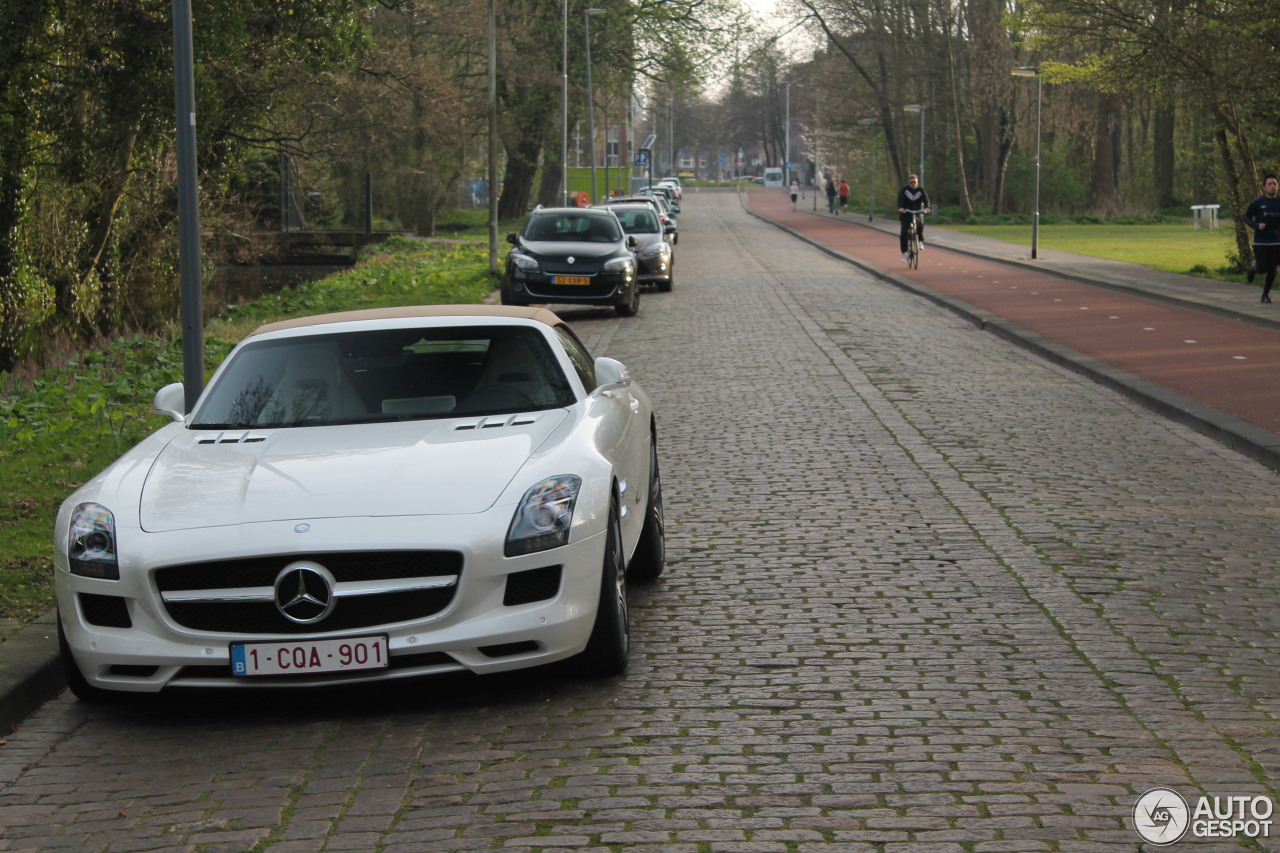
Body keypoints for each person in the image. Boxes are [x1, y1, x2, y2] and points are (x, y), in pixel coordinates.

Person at [1244, 174, 1280, 302]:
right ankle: (1254, 268)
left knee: (1272, 268)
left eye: (1274, 184)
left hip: (1276, 242)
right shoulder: (1257, 203)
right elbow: (1246, 217)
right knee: (1262, 268)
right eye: (1269, 184)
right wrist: (1256, 225)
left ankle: (1265, 295)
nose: (1272, 186)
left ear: (1277, 186)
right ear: (1264, 187)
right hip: (1261, 242)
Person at [897, 173, 930, 262]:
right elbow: (900, 199)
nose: (913, 184)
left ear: (917, 182)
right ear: (908, 182)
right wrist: (900, 208)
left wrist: (927, 207)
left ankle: (920, 240)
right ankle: (904, 252)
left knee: (921, 223)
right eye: (911, 182)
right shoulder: (904, 190)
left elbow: (926, 199)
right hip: (906, 213)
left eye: (914, 182)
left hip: (917, 211)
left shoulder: (920, 190)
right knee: (904, 232)